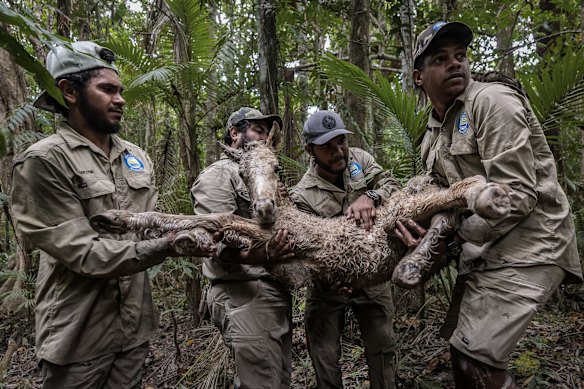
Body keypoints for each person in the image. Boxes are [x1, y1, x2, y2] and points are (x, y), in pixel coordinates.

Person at [10, 42, 214, 388]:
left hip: (133, 332)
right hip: (78, 337)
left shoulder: (136, 156)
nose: (120, 99)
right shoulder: (44, 161)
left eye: (119, 91)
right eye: (107, 90)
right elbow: (83, 252)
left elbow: (151, 224)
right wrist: (169, 245)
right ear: (69, 91)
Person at [397, 21, 583, 388]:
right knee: (463, 355)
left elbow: (516, 195)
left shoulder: (491, 101)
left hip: (532, 242)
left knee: (476, 359)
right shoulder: (433, 133)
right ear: (419, 77)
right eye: (441, 58)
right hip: (487, 247)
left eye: (460, 56)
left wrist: (452, 240)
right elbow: (441, 195)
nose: (455, 64)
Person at [289, 110, 401, 389]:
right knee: (324, 356)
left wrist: (370, 196)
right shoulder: (302, 195)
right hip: (328, 286)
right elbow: (308, 248)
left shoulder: (360, 160)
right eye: (327, 146)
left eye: (341, 141)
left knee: (383, 350)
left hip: (373, 277)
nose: (338, 150)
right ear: (310, 150)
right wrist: (333, 277)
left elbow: (393, 186)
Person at [190, 107, 294, 389]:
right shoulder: (219, 175)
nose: (265, 137)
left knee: (277, 379)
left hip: (274, 293)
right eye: (258, 130)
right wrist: (252, 255)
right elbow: (211, 238)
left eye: (268, 131)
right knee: (260, 382)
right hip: (242, 293)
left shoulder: (264, 175)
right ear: (234, 134)